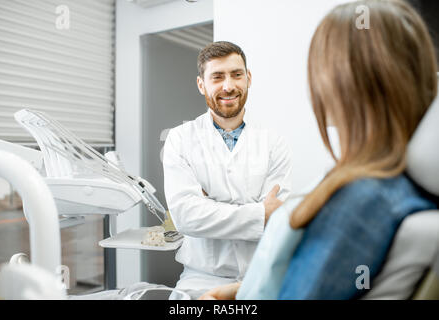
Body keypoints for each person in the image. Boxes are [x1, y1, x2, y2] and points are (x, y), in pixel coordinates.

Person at [199, 0, 438, 300]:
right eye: (217, 77)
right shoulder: (400, 189)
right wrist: (243, 291)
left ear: (338, 84)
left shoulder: (360, 201)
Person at [163, 41, 293, 299]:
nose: (228, 86)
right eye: (217, 77)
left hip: (262, 275)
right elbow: (186, 216)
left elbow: (278, 217)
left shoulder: (274, 142)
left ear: (248, 78)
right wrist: (258, 212)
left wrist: (210, 205)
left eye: (236, 74)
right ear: (202, 85)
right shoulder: (180, 139)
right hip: (201, 280)